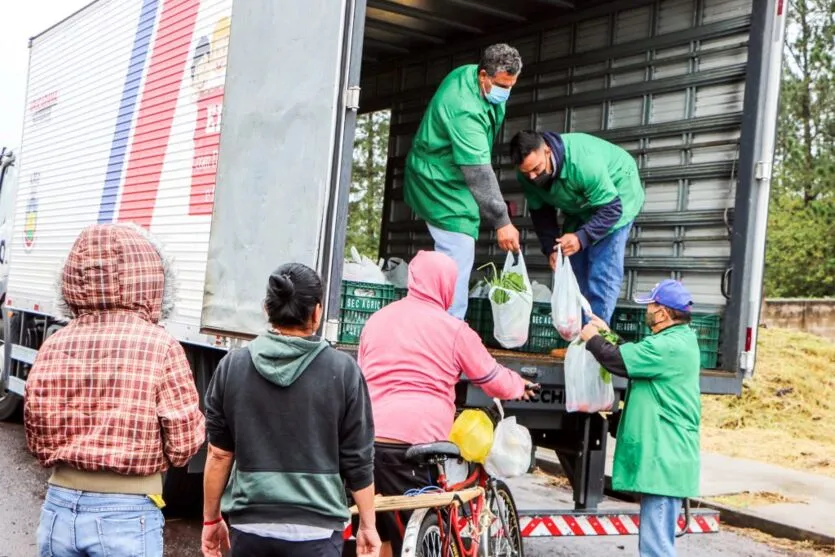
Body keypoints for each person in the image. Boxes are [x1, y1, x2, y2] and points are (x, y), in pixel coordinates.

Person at [24, 224, 205, 557]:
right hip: (127, 514)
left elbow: (36, 435)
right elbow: (182, 446)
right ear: (150, 278)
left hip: (59, 509)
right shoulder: (161, 346)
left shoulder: (53, 344)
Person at [358, 250, 538, 557]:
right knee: (427, 522)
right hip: (415, 444)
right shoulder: (454, 329)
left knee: (381, 531)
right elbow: (490, 376)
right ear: (448, 285)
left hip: (368, 441)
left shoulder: (377, 320)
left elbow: (361, 375)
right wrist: (519, 385)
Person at [201, 263, 380, 557]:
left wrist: (211, 518)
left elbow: (219, 454)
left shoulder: (233, 366)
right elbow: (358, 460)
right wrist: (368, 525)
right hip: (318, 531)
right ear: (317, 313)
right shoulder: (343, 370)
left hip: (250, 528)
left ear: (266, 309)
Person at [579, 279, 701, 557]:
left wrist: (592, 339)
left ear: (663, 313)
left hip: (664, 460)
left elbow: (619, 362)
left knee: (655, 549)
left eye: (651, 305)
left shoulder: (669, 347)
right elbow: (634, 355)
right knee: (655, 544)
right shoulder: (674, 341)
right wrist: (608, 335)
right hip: (666, 459)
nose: (647, 310)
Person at [404, 43, 524, 320]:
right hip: (439, 180)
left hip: (452, 174)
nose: (505, 92)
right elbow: (479, 172)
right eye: (501, 85)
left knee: (456, 250)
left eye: (511, 86)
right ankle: (449, 325)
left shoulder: (469, 76)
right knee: (458, 249)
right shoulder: (464, 109)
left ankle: (438, 320)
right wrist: (503, 221)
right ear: (484, 75)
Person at [510, 130, 645, 323]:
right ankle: (577, 338)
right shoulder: (528, 173)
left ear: (547, 151)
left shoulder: (584, 162)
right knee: (574, 268)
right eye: (526, 172)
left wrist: (582, 237)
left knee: (602, 270)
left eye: (537, 169)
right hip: (580, 203)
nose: (532, 177)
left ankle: (595, 340)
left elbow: (612, 209)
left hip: (616, 197)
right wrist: (550, 248)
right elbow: (541, 212)